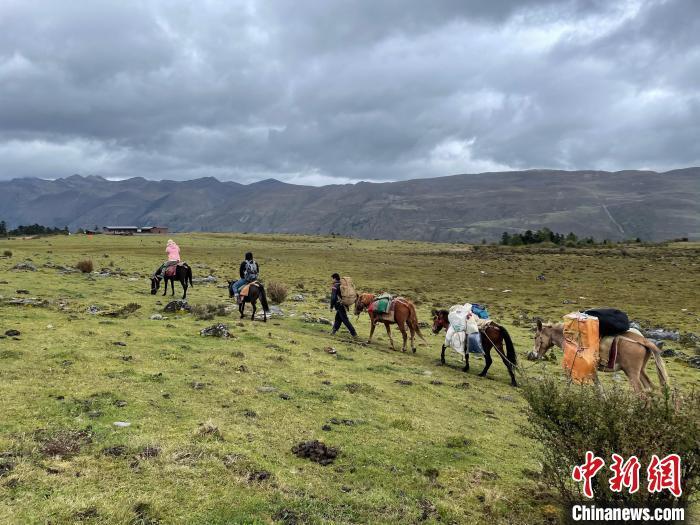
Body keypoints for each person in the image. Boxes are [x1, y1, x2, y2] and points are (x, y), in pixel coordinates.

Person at [330, 273, 357, 337]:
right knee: (338, 318)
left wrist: (331, 306)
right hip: (343, 304)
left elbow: (333, 297)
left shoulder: (335, 286)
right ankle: (333, 331)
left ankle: (354, 333)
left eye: (332, 279)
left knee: (344, 319)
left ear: (334, 278)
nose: (332, 280)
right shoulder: (341, 285)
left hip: (339, 305)